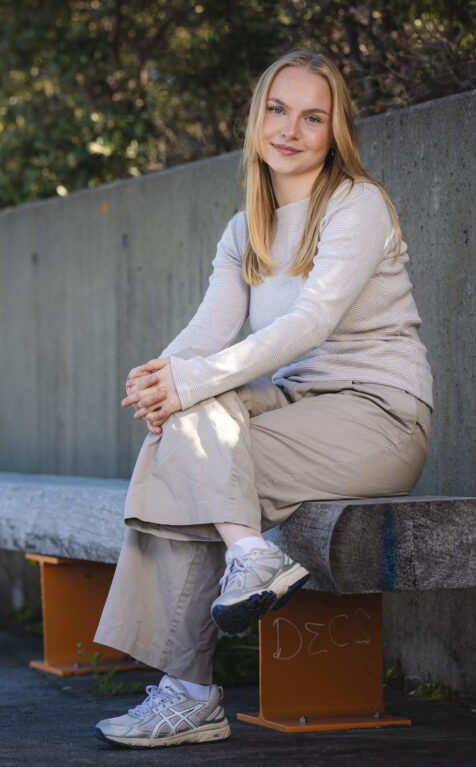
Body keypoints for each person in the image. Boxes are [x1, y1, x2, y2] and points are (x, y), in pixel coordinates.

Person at [91, 49, 434, 749]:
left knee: (184, 458)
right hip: (295, 402)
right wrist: (160, 374)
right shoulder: (244, 227)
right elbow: (206, 334)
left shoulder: (357, 204)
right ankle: (249, 553)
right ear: (257, 118)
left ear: (335, 130)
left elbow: (308, 323)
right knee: (181, 426)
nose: (291, 129)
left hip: (377, 416)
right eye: (278, 110)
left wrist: (189, 382)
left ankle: (189, 692)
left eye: (313, 116)